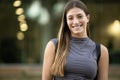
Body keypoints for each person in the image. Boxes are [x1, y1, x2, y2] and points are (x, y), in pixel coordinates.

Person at [42, 0, 109, 80]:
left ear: (87, 18)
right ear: (66, 21)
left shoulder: (101, 51)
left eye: (80, 16)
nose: (76, 22)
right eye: (70, 18)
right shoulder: (54, 45)